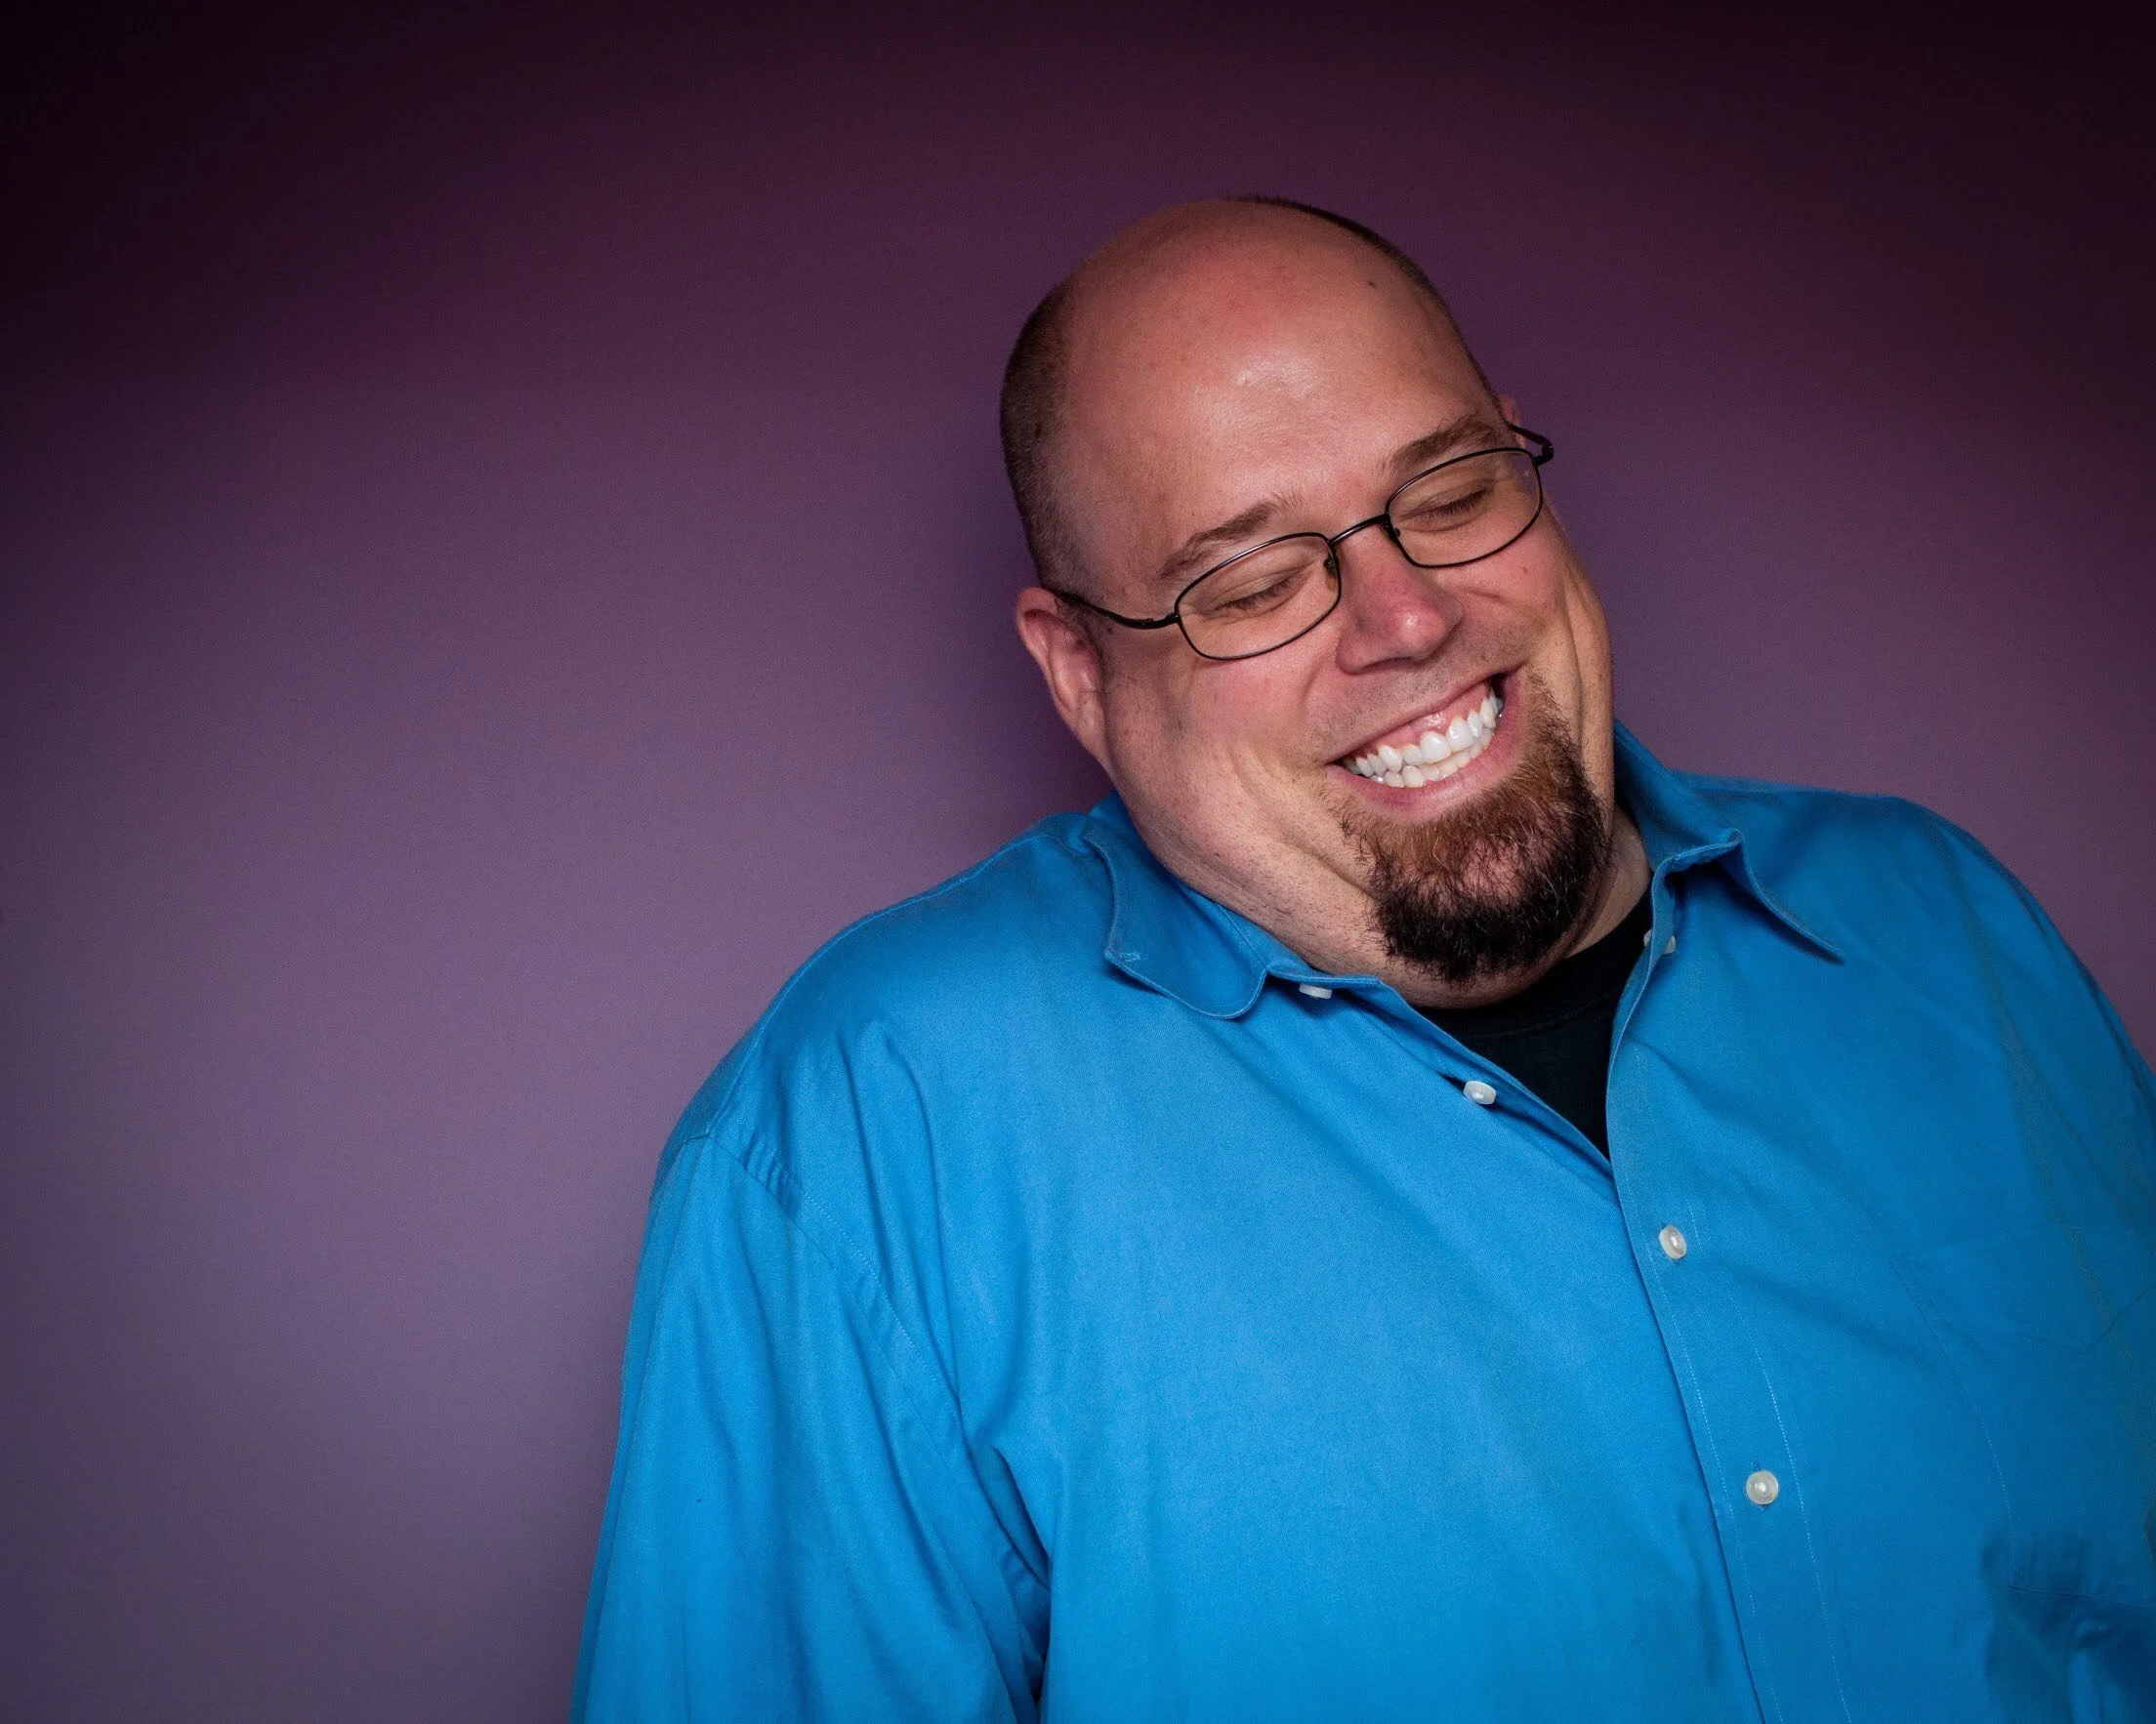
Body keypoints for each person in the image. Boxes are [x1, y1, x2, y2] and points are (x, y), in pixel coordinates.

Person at [572, 198, 2156, 1721]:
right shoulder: (869, 1128)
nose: (1403, 616)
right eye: (1250, 581)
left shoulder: (1949, 928)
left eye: (1454, 491)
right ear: (1078, 674)